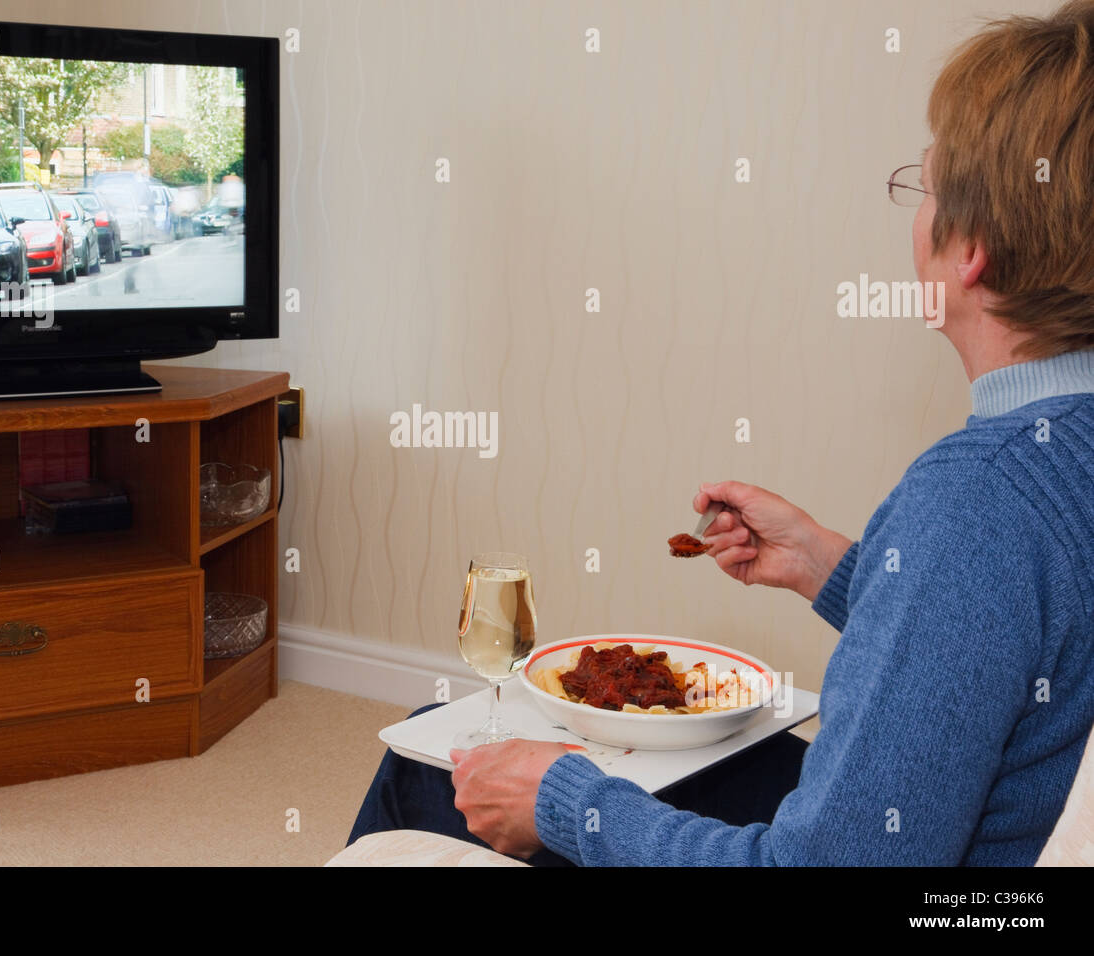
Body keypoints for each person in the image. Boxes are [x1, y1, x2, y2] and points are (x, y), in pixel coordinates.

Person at [349, 0, 1094, 865]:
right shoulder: (1041, 475)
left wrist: (568, 804)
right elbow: (1000, 651)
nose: (914, 213)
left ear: (974, 250)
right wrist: (829, 565)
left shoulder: (978, 497)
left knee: (434, 765)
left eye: (925, 185)